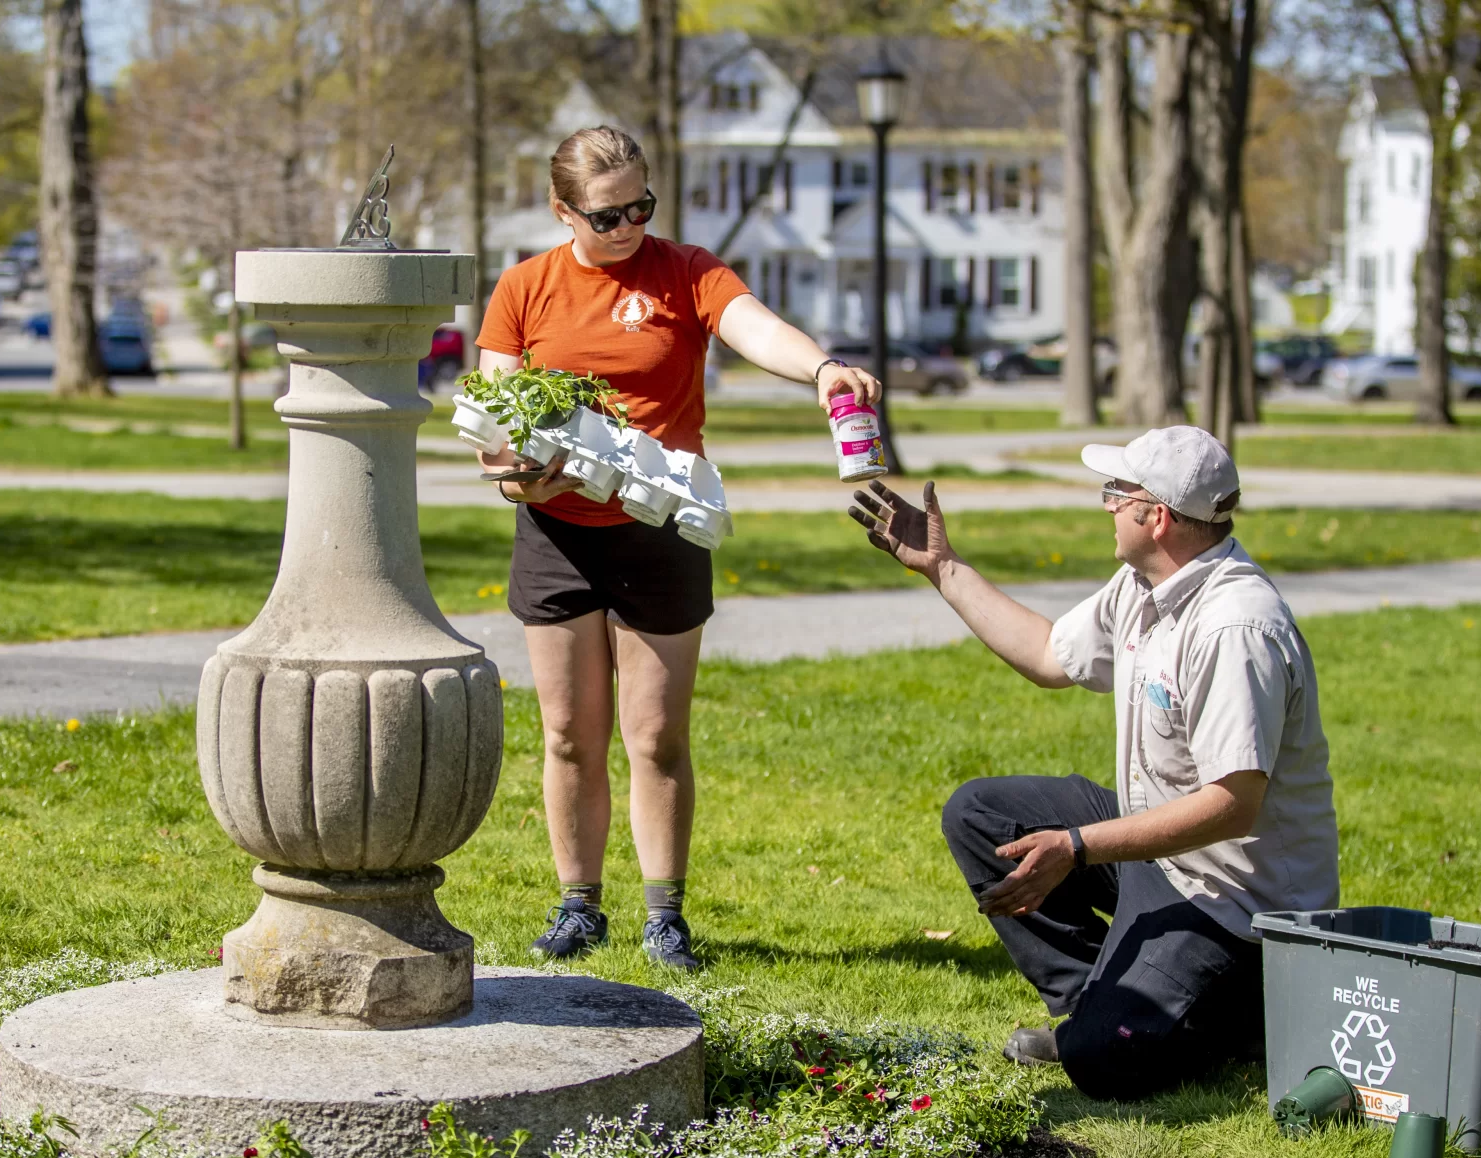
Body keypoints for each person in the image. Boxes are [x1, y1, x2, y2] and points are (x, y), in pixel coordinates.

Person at [474, 125, 882, 971]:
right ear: (562, 212)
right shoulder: (523, 287)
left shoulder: (686, 271)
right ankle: (578, 906)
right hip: (557, 536)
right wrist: (516, 477)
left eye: (640, 206)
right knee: (568, 735)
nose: (626, 226)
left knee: (655, 737)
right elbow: (494, 416)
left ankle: (665, 913)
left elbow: (752, 325)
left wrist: (820, 370)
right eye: (605, 214)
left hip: (661, 529)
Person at [848, 426, 1338, 1099]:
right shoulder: (1141, 585)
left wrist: (1076, 846)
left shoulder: (1234, 626)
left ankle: (1229, 1012)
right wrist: (942, 566)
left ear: (1156, 516)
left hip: (1235, 903)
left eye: (1117, 492)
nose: (1105, 504)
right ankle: (1095, 1005)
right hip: (1161, 853)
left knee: (1103, 1064)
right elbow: (1052, 655)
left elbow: (1234, 804)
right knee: (981, 815)